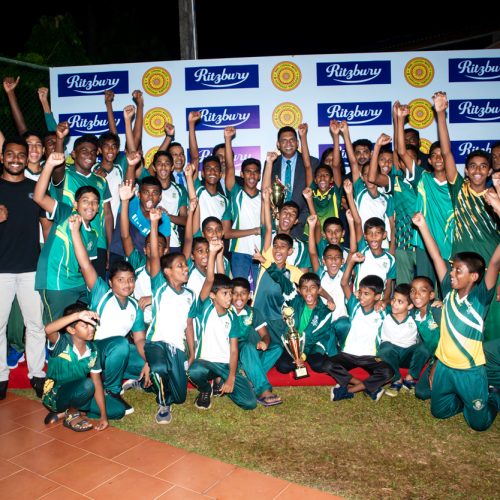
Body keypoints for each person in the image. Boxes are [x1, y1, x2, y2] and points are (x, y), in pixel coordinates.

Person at [412, 211, 500, 431]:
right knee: (439, 412)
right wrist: (422, 226)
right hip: (445, 367)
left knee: (478, 424)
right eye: (452, 268)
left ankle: (494, 395)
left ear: (474, 276)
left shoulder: (480, 298)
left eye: (458, 270)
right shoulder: (448, 291)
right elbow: (435, 257)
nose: (452, 273)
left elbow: (495, 262)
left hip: (470, 372)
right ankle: (465, 401)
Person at [434, 90, 499, 341]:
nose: (478, 170)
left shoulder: (496, 195)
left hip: (492, 265)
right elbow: (447, 153)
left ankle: (490, 364)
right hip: (462, 267)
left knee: (491, 324)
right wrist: (441, 113)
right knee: (460, 321)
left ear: (490, 170)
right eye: (473, 166)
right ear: (466, 171)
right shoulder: (459, 189)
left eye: (483, 166)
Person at [70, 215, 150, 416]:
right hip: (95, 351)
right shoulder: (102, 292)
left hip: (114, 354)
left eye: (130, 280)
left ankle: (122, 378)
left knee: (150, 360)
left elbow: (140, 339)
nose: (127, 284)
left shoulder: (134, 306)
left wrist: (149, 362)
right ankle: (111, 390)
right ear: (111, 282)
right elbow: (85, 264)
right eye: (121, 280)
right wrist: (75, 232)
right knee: (120, 344)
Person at [0, 137, 49, 399]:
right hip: (1, 270)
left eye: (21, 154)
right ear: (2, 157)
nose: (16, 159)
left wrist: (48, 259)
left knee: (36, 325)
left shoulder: (35, 188)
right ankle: (0, 377)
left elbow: (46, 226)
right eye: (10, 154)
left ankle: (37, 374)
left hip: (31, 267)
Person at [187, 241, 257, 411]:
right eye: (225, 293)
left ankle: (221, 381)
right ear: (212, 295)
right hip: (206, 362)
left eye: (230, 293)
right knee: (194, 370)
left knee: (249, 403)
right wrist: (212, 254)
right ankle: (206, 389)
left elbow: (233, 350)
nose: (230, 297)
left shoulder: (232, 317)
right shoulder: (205, 307)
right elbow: (210, 279)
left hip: (225, 365)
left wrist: (231, 377)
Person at [33, 152, 99, 324]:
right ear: (76, 204)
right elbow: (39, 197)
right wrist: (49, 165)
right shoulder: (66, 212)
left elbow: (86, 266)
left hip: (78, 283)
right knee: (55, 327)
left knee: (84, 322)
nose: (90, 205)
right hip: (56, 282)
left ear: (98, 207)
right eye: (85, 200)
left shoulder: (93, 234)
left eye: (94, 202)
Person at [145, 208, 196, 424]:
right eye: (180, 266)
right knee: (159, 369)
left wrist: (192, 352)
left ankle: (148, 384)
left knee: (180, 397)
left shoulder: (190, 295)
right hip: (156, 342)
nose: (185, 269)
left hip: (177, 347)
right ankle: (163, 405)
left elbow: (189, 325)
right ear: (167, 271)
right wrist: (154, 222)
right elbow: (155, 255)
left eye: (185, 265)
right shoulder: (159, 285)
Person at [42, 303, 125, 432]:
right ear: (71, 330)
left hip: (80, 392)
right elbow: (48, 329)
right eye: (85, 325)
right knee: (87, 385)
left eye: (91, 324)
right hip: (56, 396)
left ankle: (69, 411)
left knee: (118, 410)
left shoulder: (93, 350)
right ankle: (72, 413)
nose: (91, 329)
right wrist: (77, 316)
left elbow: (97, 382)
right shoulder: (62, 343)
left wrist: (103, 416)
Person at [323, 252, 393, 402]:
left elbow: (397, 301)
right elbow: (344, 283)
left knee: (388, 372)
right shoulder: (354, 305)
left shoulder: (382, 311)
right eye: (360, 292)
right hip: (348, 354)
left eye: (366, 294)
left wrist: (385, 301)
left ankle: (348, 390)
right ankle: (368, 387)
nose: (361, 296)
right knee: (326, 364)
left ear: (377, 296)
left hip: (370, 357)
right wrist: (351, 262)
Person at [50, 127, 113, 279]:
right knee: (74, 288)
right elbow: (57, 167)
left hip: (98, 245)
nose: (89, 155)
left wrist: (109, 247)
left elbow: (108, 215)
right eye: (84, 151)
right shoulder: (65, 175)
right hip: (71, 241)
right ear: (73, 154)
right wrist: (60, 139)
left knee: (96, 289)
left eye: (93, 152)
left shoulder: (101, 181)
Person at [119, 180, 169, 326]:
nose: (154, 248)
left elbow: (176, 296)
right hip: (138, 322)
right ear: (145, 249)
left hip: (161, 324)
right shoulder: (137, 261)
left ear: (165, 250)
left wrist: (152, 299)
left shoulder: (169, 270)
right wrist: (124, 202)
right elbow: (125, 236)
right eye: (150, 245)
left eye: (159, 246)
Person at [230, 277, 282, 406]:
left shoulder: (253, 312)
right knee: (248, 347)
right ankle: (263, 390)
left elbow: (265, 335)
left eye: (243, 293)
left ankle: (248, 375)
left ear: (249, 296)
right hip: (232, 353)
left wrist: (264, 342)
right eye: (235, 293)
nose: (239, 297)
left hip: (249, 354)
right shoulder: (226, 311)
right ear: (229, 294)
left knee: (277, 348)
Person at [223, 127, 261, 282]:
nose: (251, 175)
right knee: (238, 289)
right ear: (242, 174)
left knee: (260, 291)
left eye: (255, 172)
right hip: (239, 251)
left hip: (261, 252)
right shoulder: (235, 193)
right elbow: (229, 167)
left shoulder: (265, 198)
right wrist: (228, 140)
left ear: (259, 175)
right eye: (248, 171)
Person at [271, 125, 319, 238]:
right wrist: (276, 217)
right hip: (277, 226)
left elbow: (313, 194)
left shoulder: (312, 163)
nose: (288, 143)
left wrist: (299, 220)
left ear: (297, 143)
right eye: (284, 140)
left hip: (303, 226)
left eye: (292, 139)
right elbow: (267, 193)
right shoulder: (271, 163)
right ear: (278, 144)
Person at [109, 175, 171, 260]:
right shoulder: (129, 201)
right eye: (146, 192)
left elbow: (165, 250)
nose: (150, 197)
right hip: (118, 253)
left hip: (141, 262)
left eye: (155, 193)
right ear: (138, 194)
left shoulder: (162, 218)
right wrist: (125, 200)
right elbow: (124, 235)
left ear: (160, 198)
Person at [377, 284, 420, 397]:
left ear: (410, 306)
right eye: (394, 299)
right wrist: (380, 302)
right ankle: (396, 379)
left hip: (407, 355)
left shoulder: (415, 317)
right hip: (390, 355)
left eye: (400, 302)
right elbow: (374, 305)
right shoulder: (385, 313)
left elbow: (427, 308)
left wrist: (437, 303)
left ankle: (409, 378)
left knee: (424, 348)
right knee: (385, 348)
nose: (394, 304)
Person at [410, 275, 442, 401]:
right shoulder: (415, 313)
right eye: (413, 290)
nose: (416, 294)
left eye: (422, 290)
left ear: (431, 295)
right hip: (434, 358)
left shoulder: (436, 311)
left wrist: (437, 363)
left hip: (448, 358)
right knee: (421, 393)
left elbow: (449, 339)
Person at [150, 150, 188, 253]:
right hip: (149, 241)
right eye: (159, 163)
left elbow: (185, 220)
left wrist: (166, 216)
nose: (163, 167)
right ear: (154, 167)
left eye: (167, 163)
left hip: (173, 243)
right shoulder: (148, 187)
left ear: (172, 167)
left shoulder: (180, 190)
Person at [353, 217, 395, 305]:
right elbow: (357, 223)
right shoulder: (362, 251)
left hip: (377, 302)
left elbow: (388, 286)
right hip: (359, 298)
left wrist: (383, 301)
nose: (373, 236)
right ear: (365, 236)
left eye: (378, 233)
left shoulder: (390, 259)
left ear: (384, 235)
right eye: (370, 233)